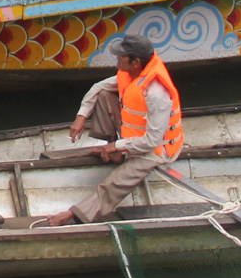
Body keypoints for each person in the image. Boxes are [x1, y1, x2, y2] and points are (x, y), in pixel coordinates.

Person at [45, 35, 184, 227]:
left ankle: (71, 215)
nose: (116, 59)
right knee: (103, 95)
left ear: (135, 62)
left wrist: (117, 146)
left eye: (121, 56)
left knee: (113, 184)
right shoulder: (131, 73)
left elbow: (152, 141)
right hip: (133, 139)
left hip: (156, 151)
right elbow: (97, 87)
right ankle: (117, 153)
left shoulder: (156, 93)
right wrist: (81, 116)